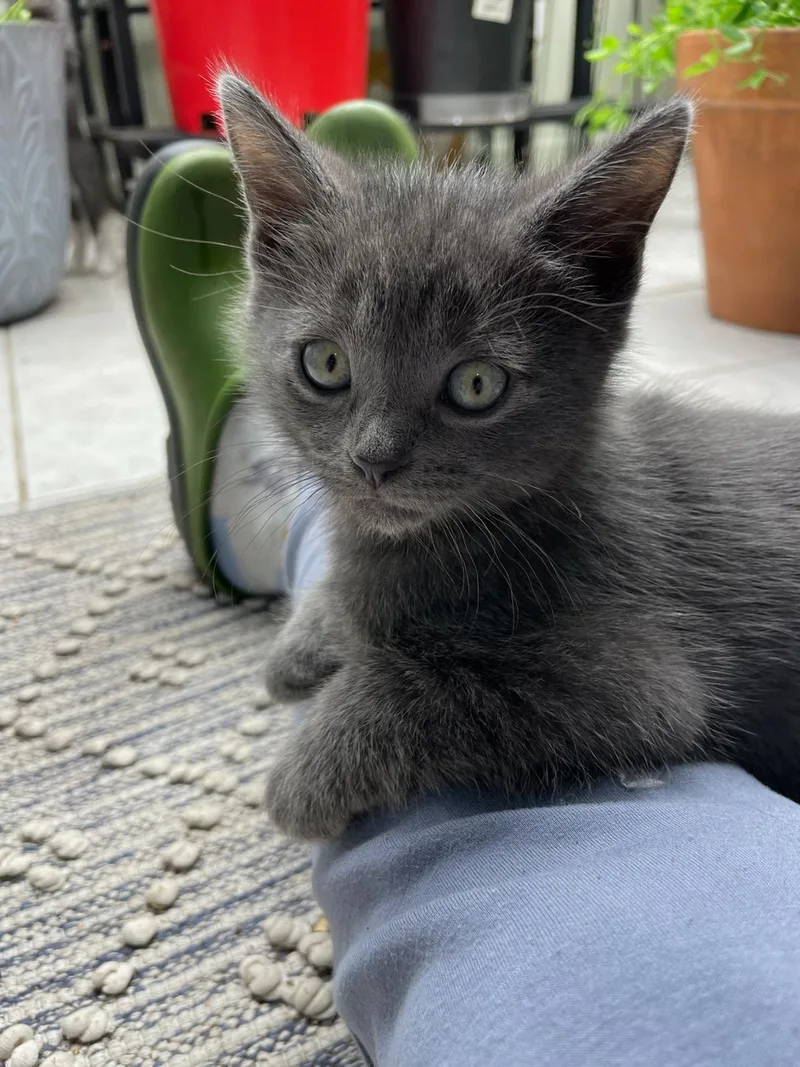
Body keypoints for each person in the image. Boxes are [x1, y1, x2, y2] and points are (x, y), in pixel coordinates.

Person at [128, 106, 800, 1067]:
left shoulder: (584, 524)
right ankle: (308, 542)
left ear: (602, 283)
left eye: (471, 388)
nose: (376, 452)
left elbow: (637, 697)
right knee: (366, 529)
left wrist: (379, 717)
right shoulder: (437, 469)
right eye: (327, 368)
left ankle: (275, 526)